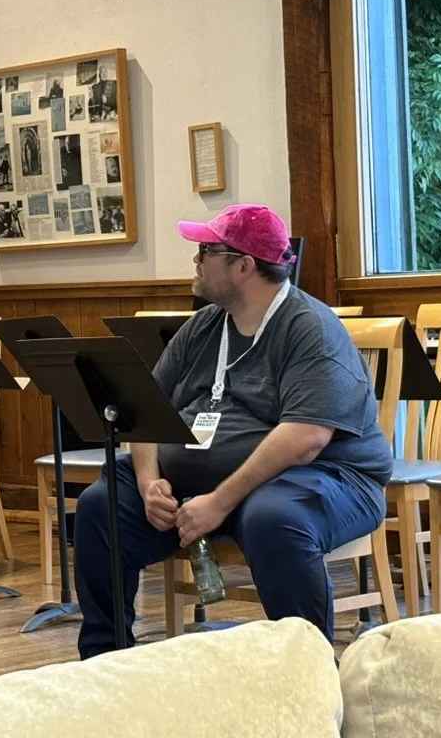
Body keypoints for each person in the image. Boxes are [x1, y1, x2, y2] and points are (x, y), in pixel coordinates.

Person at [72, 203, 392, 659]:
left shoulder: (309, 328)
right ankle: (105, 660)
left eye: (206, 251)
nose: (196, 260)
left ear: (243, 266)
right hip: (200, 489)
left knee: (273, 518)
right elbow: (143, 411)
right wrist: (148, 484)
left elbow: (306, 438)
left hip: (329, 477)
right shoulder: (204, 327)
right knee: (100, 505)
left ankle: (310, 669)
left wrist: (219, 502)